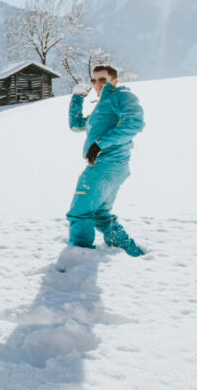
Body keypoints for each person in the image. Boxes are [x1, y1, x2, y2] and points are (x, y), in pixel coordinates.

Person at [67, 64, 146, 256]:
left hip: (107, 165)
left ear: (114, 81)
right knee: (101, 215)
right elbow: (76, 125)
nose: (97, 84)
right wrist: (77, 98)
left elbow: (135, 123)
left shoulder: (121, 96)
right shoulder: (102, 106)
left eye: (102, 79)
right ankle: (133, 253)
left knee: (80, 213)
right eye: (94, 80)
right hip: (111, 167)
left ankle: (80, 259)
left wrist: (99, 144)